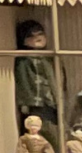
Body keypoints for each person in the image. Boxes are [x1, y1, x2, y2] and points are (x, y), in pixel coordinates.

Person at [15, 20, 62, 149]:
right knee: (42, 134)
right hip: (37, 105)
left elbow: (59, 78)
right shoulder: (24, 59)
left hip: (52, 102)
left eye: (40, 34)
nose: (37, 38)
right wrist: (26, 101)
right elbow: (23, 80)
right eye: (31, 36)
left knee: (56, 133)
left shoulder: (50, 57)